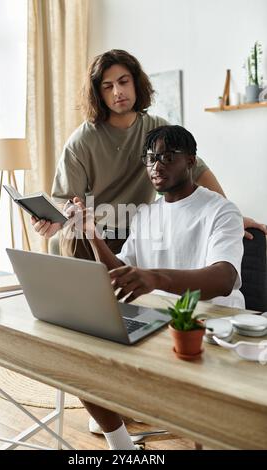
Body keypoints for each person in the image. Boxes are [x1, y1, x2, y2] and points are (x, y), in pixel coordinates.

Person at [61, 124, 245, 450]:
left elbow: (223, 277)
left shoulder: (220, 209)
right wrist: (91, 232)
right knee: (73, 351)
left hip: (210, 325)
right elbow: (121, 272)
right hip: (155, 319)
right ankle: (121, 447)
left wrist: (156, 279)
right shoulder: (146, 214)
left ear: (190, 160)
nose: (155, 167)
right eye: (149, 159)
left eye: (166, 157)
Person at [31, 49, 267, 251]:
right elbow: (64, 202)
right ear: (98, 94)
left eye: (123, 81)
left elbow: (196, 171)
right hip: (92, 238)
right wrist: (53, 222)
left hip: (141, 235)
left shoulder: (157, 128)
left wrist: (232, 217)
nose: (117, 92)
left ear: (135, 82)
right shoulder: (81, 142)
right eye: (107, 86)